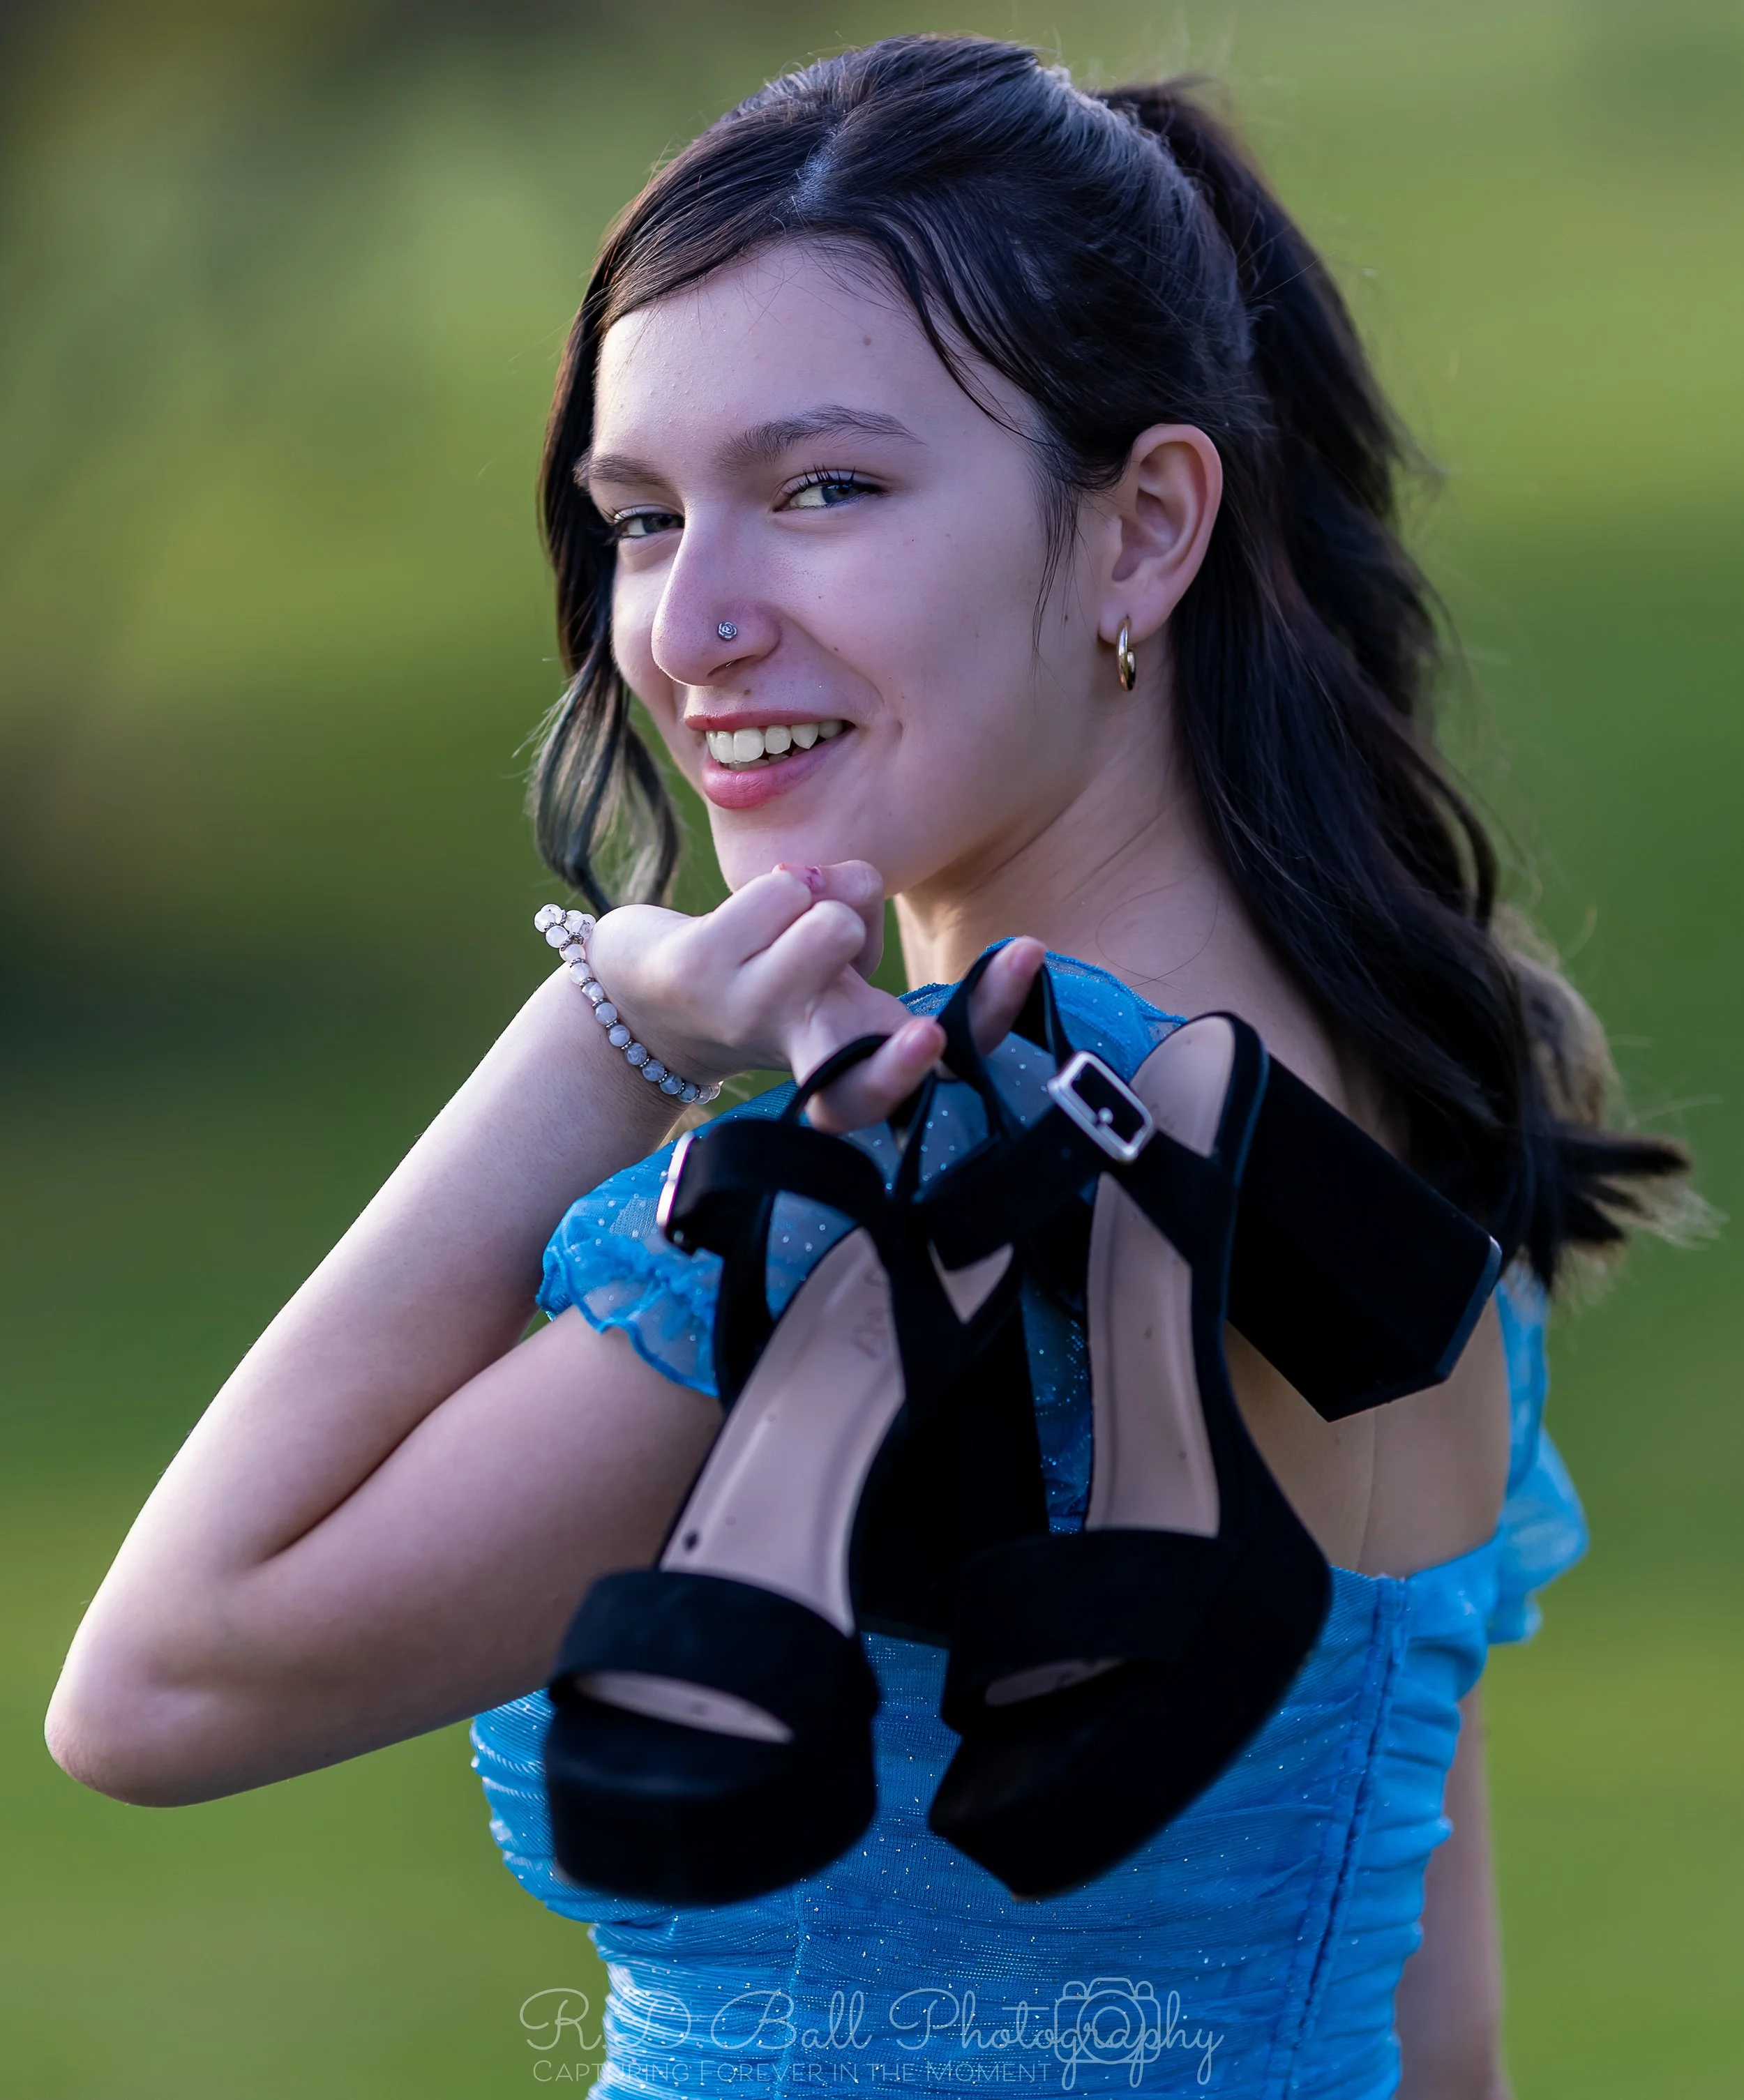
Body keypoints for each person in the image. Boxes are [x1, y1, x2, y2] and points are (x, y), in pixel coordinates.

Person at [46, 35, 1691, 2099]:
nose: (692, 628)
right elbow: (1435, 2039)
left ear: (1143, 531)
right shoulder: (1382, 1112)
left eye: (824, 489)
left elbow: (163, 1688)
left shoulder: (915, 1192)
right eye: (642, 518)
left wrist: (612, 1030)